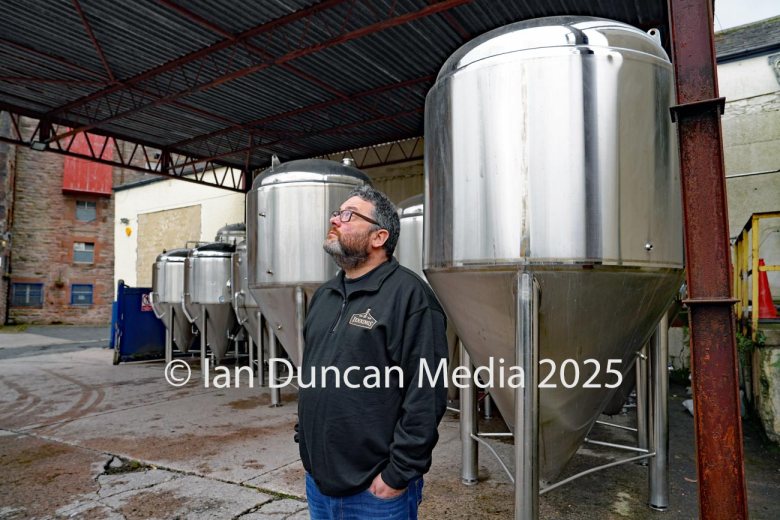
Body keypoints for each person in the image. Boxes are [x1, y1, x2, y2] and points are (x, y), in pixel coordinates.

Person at [298, 184, 449, 520]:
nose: (335, 220)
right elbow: (312, 375)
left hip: (376, 492)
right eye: (336, 212)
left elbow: (427, 394)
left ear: (379, 237)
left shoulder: (410, 297)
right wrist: (305, 445)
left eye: (348, 214)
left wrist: (397, 476)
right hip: (318, 483)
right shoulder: (325, 296)